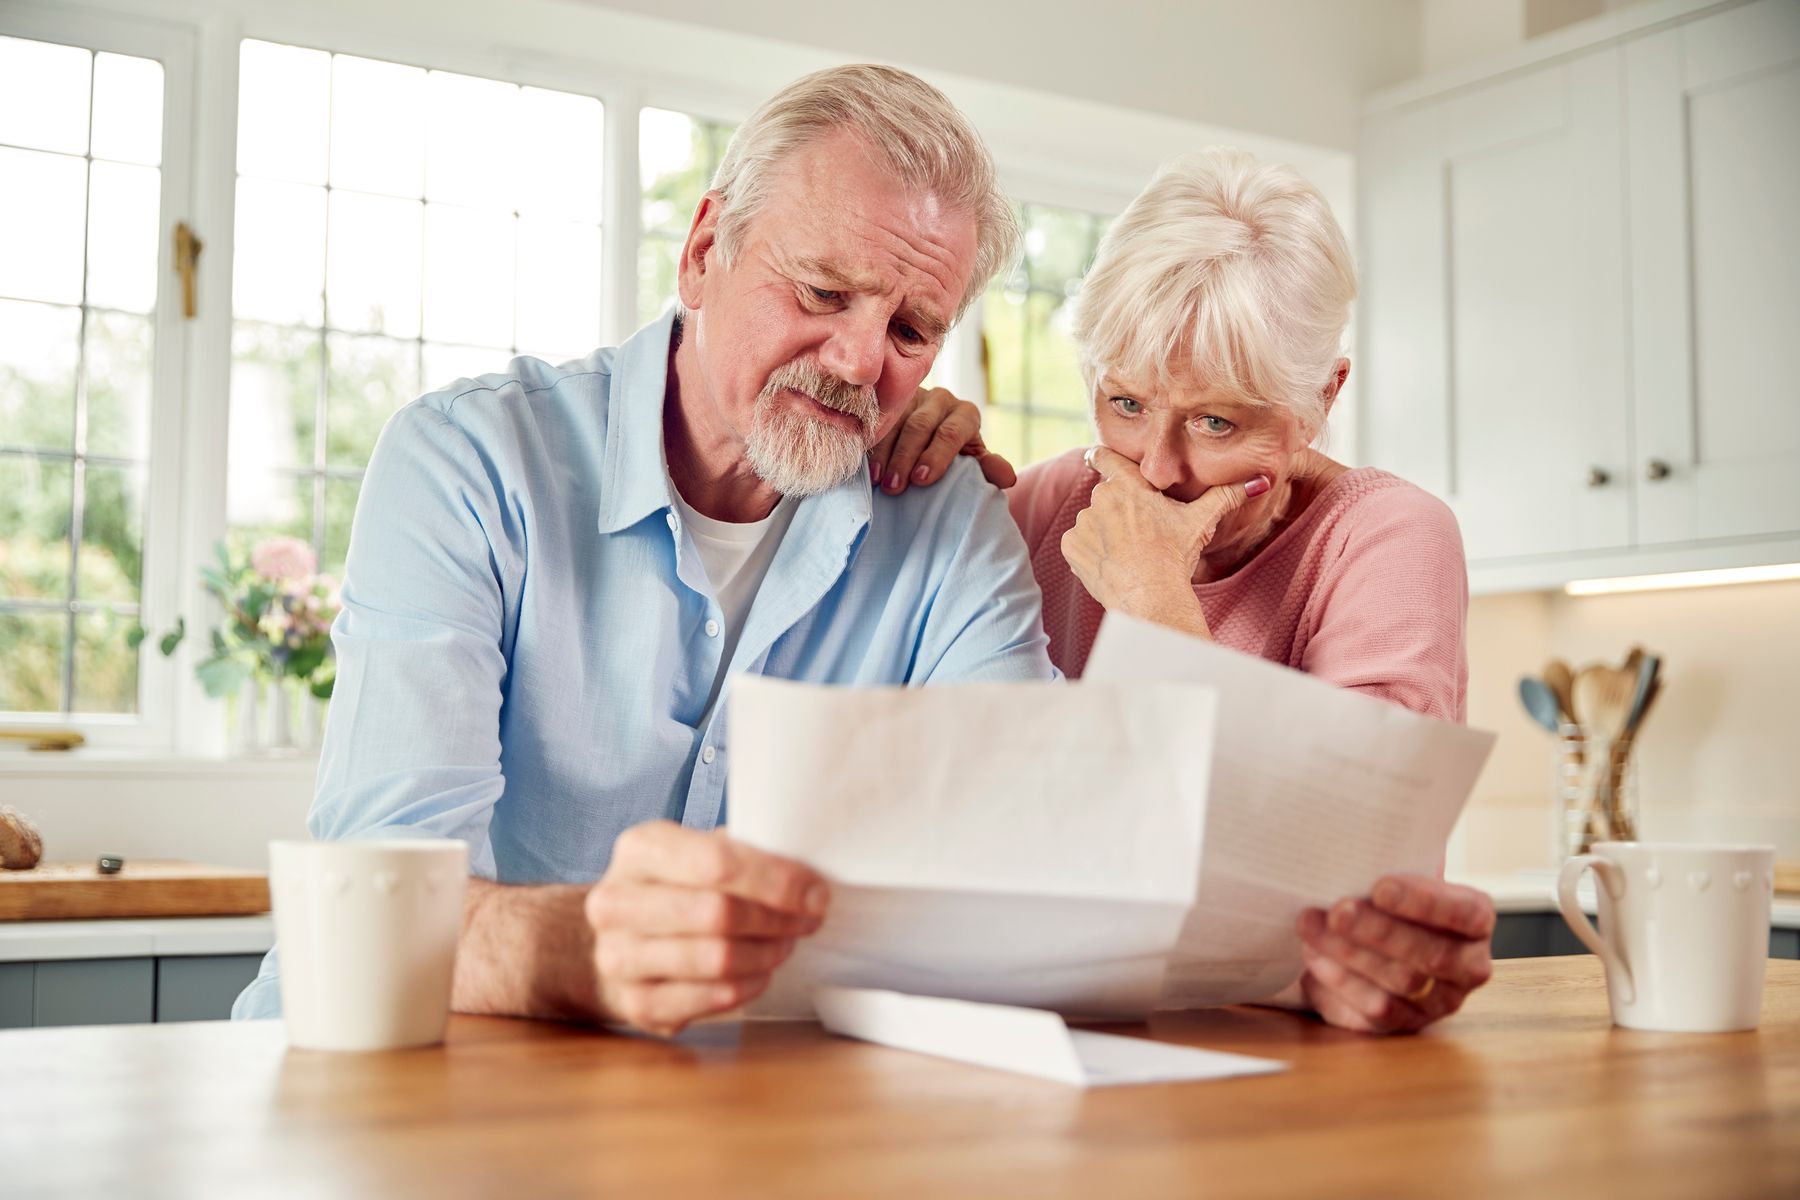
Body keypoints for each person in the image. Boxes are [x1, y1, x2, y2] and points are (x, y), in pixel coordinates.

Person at [233, 64, 1057, 1037]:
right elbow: (378, 888)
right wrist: (596, 948)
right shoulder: (470, 463)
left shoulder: (949, 524)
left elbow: (1020, 867)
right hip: (401, 1079)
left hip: (717, 1121)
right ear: (704, 251)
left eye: (912, 329)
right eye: (827, 291)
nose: (860, 361)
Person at [869, 148, 1496, 1034]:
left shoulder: (1387, 537)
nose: (1157, 470)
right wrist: (918, 457)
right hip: (1068, 1027)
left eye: (1215, 421)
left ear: (1323, 395)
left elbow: (1344, 869)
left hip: (1302, 1045)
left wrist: (1155, 606)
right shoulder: (1043, 507)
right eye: (1125, 403)